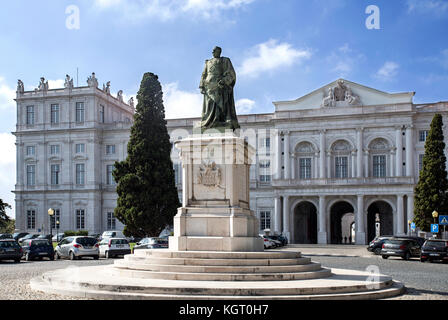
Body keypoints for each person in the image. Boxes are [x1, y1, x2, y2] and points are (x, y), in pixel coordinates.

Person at [199, 46, 240, 131]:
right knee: (209, 104)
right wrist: (201, 85)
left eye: (215, 50)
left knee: (219, 103)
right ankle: (208, 121)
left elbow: (230, 73)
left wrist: (224, 81)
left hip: (219, 84)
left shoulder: (224, 60)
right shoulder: (208, 62)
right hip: (208, 85)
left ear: (219, 52)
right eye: (212, 51)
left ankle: (218, 120)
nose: (213, 52)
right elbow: (204, 74)